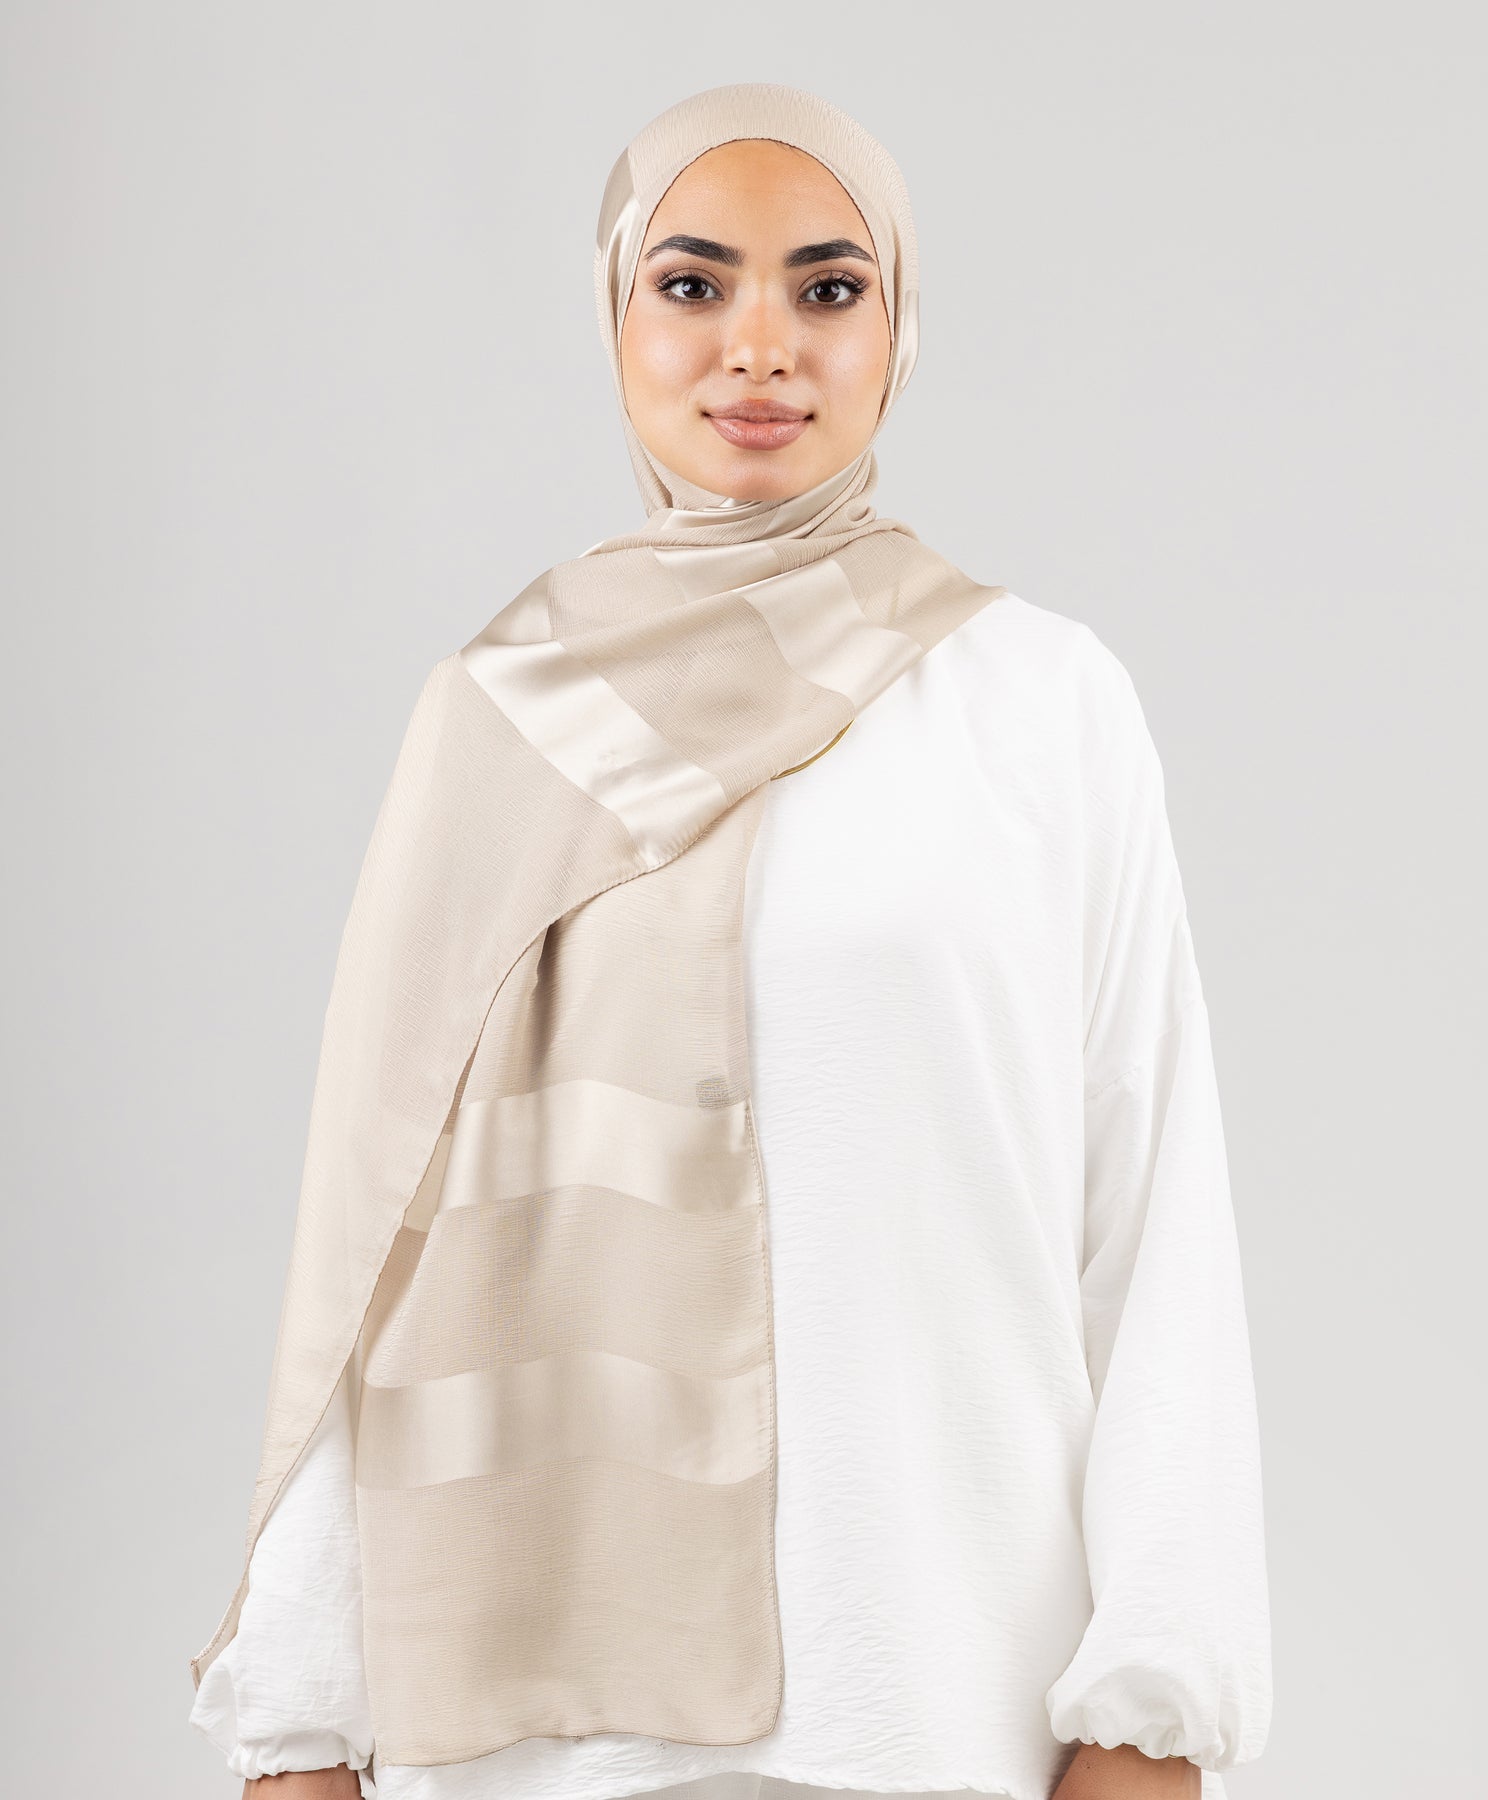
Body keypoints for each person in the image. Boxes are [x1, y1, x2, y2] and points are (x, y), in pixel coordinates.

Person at [189, 83, 1271, 1800]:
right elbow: (366, 1237)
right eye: (691, 284)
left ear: (898, 327)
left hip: (941, 1698)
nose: (759, 345)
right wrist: (300, 1722)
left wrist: (1153, 1704)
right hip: (546, 1736)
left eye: (828, 288)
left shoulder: (1039, 700)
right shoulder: (503, 722)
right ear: (615, 316)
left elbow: (1153, 1219)